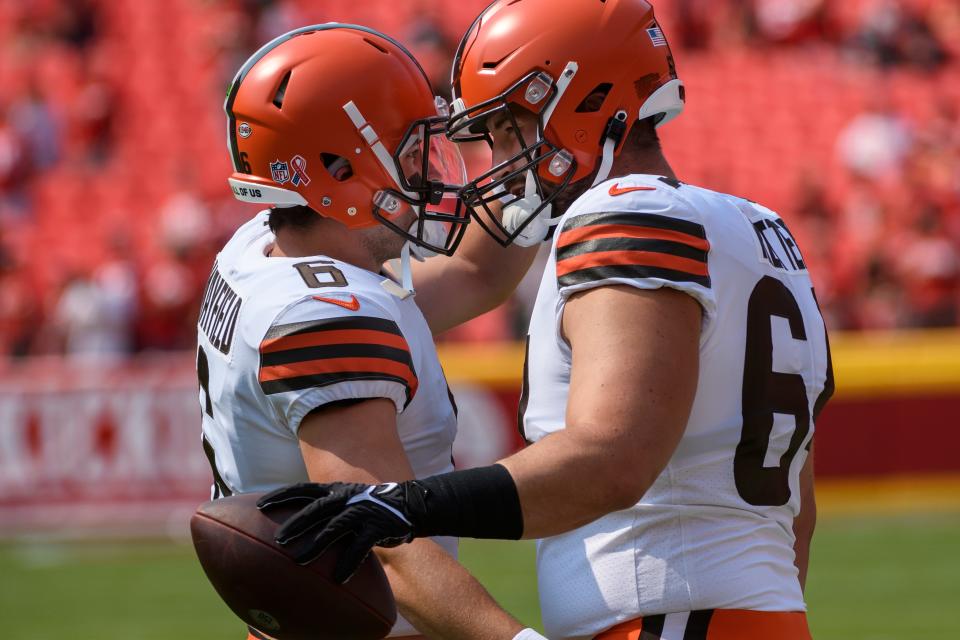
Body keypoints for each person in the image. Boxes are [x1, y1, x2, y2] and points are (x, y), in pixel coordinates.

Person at [258, 3, 836, 639]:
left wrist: (403, 505)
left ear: (580, 101)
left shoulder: (626, 213)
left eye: (508, 129)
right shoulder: (763, 229)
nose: (500, 158)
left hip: (666, 620)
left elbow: (613, 457)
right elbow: (798, 514)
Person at [199, 24, 546, 640]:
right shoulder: (325, 314)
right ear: (337, 167)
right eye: (410, 153)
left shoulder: (267, 248)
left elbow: (471, 272)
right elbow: (386, 542)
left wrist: (533, 170)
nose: (428, 171)